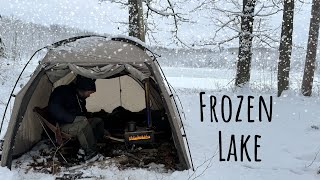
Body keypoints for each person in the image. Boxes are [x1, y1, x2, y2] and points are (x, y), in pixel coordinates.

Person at [48, 75, 104, 159]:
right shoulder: (62, 92)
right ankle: (90, 152)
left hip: (77, 122)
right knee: (82, 125)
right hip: (62, 125)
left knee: (98, 121)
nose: (89, 95)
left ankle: (93, 144)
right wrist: (74, 119)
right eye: (89, 92)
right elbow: (55, 110)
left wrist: (88, 117)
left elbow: (81, 112)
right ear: (83, 89)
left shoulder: (79, 97)